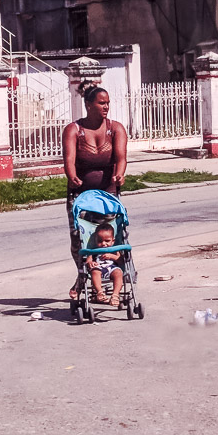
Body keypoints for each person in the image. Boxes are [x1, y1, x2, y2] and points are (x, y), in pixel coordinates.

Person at [63, 81, 127, 299]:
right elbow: (69, 159)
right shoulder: (74, 130)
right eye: (101, 103)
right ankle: (83, 277)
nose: (106, 107)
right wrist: (72, 176)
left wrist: (120, 174)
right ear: (88, 105)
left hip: (108, 195)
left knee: (111, 236)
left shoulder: (115, 128)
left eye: (107, 103)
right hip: (80, 196)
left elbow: (121, 158)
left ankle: (117, 272)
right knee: (80, 240)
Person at [85, 222, 126, 308]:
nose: (103, 244)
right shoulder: (93, 250)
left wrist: (112, 256)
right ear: (95, 240)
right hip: (98, 268)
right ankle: (100, 292)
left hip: (112, 268)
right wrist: (90, 263)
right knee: (95, 272)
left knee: (118, 273)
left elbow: (121, 261)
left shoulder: (114, 249)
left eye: (107, 241)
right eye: (100, 241)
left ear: (113, 240)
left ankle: (115, 295)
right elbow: (88, 260)